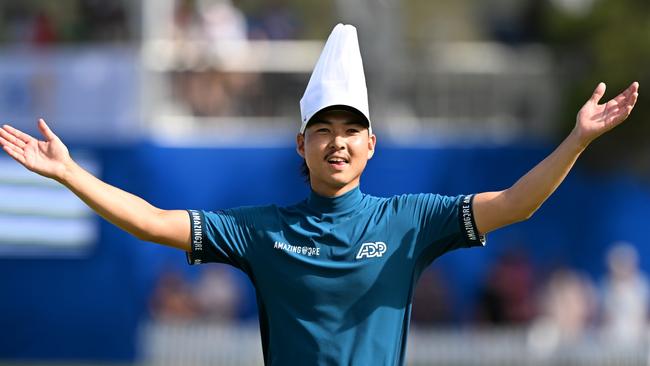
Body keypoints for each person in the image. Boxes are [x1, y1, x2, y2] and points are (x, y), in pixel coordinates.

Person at [0, 23, 639, 366]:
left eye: (351, 132)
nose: (337, 143)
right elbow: (153, 221)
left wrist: (576, 140)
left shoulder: (411, 221)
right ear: (300, 146)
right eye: (323, 132)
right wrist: (70, 173)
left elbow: (517, 203)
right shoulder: (262, 228)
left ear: (371, 146)